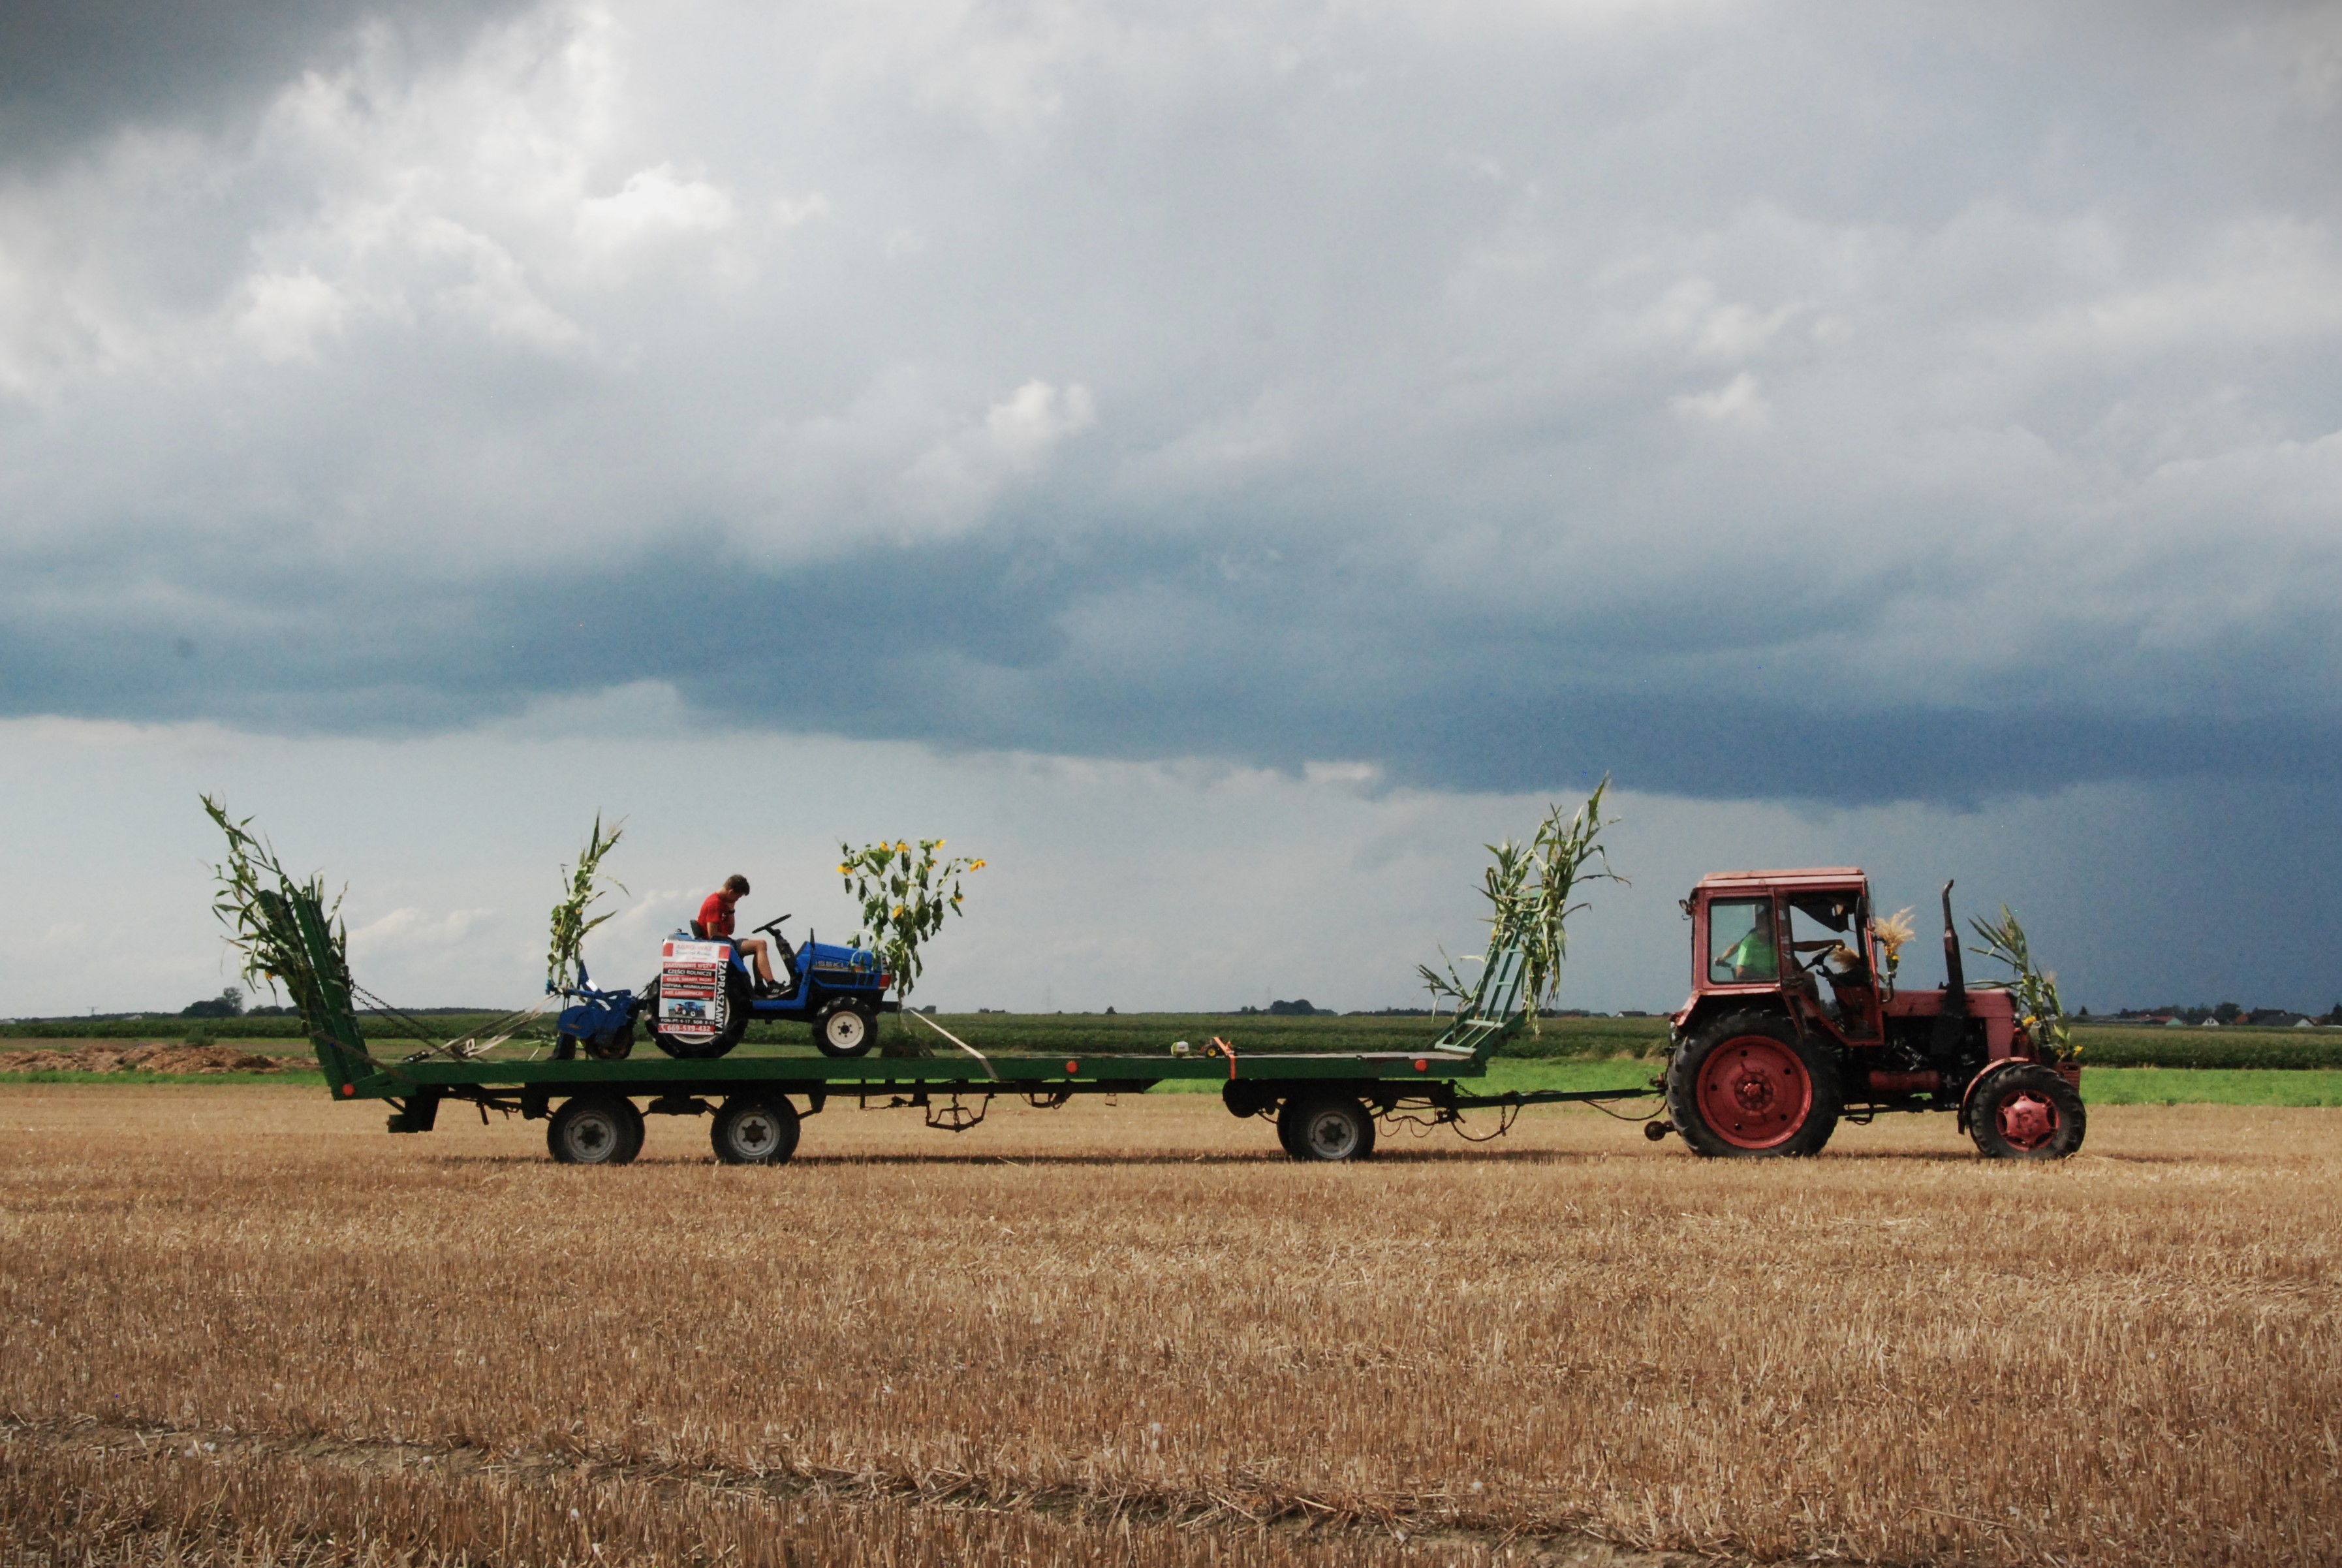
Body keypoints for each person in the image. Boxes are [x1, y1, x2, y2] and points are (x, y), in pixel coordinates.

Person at [697, 874, 781, 994]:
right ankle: (771, 984)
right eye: (738, 897)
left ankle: (760, 986)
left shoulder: (723, 903)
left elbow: (730, 931)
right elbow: (713, 934)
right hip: (718, 945)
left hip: (723, 941)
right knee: (760, 944)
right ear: (731, 892)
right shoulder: (714, 903)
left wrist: (731, 911)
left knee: (756, 945)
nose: (737, 900)